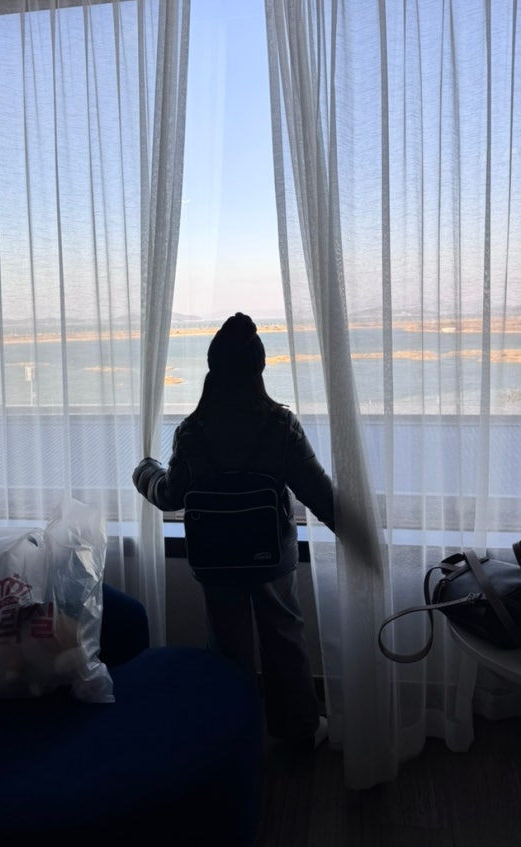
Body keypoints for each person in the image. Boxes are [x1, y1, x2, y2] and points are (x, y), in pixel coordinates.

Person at [132, 312, 335, 751]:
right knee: (284, 639)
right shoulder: (280, 425)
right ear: (260, 367)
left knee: (228, 648)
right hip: (270, 556)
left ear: (212, 368)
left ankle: (235, 737)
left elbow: (170, 495)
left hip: (216, 558)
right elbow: (319, 494)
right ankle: (300, 731)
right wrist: (362, 538)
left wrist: (144, 471)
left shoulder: (192, 430)